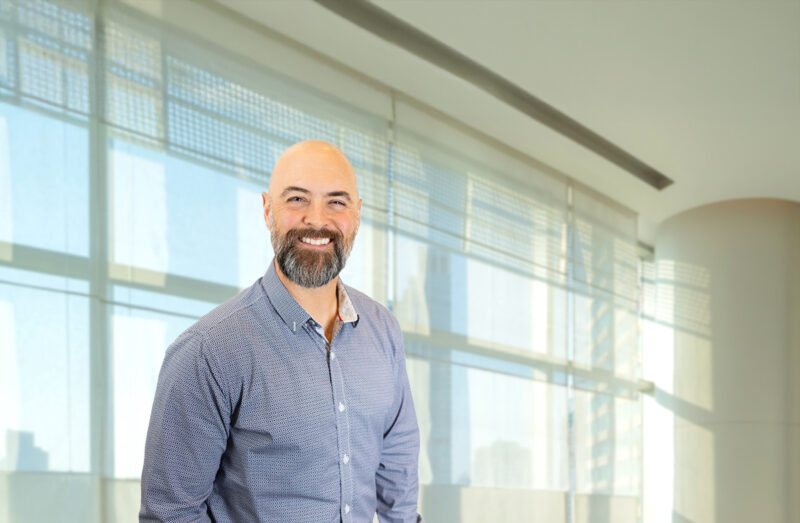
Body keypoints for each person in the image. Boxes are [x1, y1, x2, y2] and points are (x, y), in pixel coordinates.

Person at [140, 140, 422, 522]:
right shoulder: (208, 352)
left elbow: (398, 487)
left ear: (357, 214)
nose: (317, 220)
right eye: (297, 199)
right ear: (267, 209)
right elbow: (170, 514)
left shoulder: (384, 331)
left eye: (336, 202)